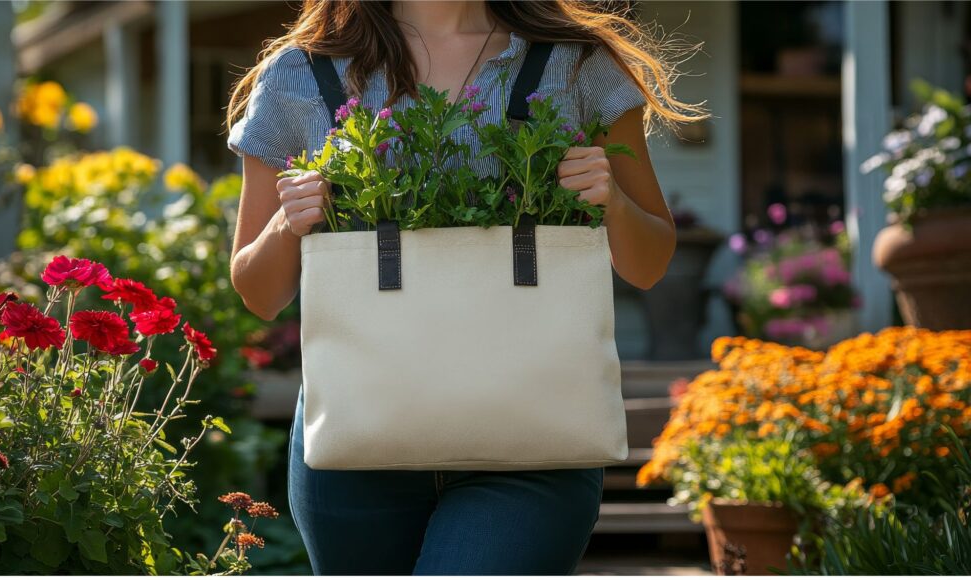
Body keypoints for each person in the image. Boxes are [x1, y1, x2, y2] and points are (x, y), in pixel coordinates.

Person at [226, 0, 706, 574]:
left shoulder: (576, 63)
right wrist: (287, 222)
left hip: (534, 448)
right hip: (356, 447)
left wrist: (613, 204)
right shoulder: (302, 73)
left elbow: (649, 263)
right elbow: (258, 292)